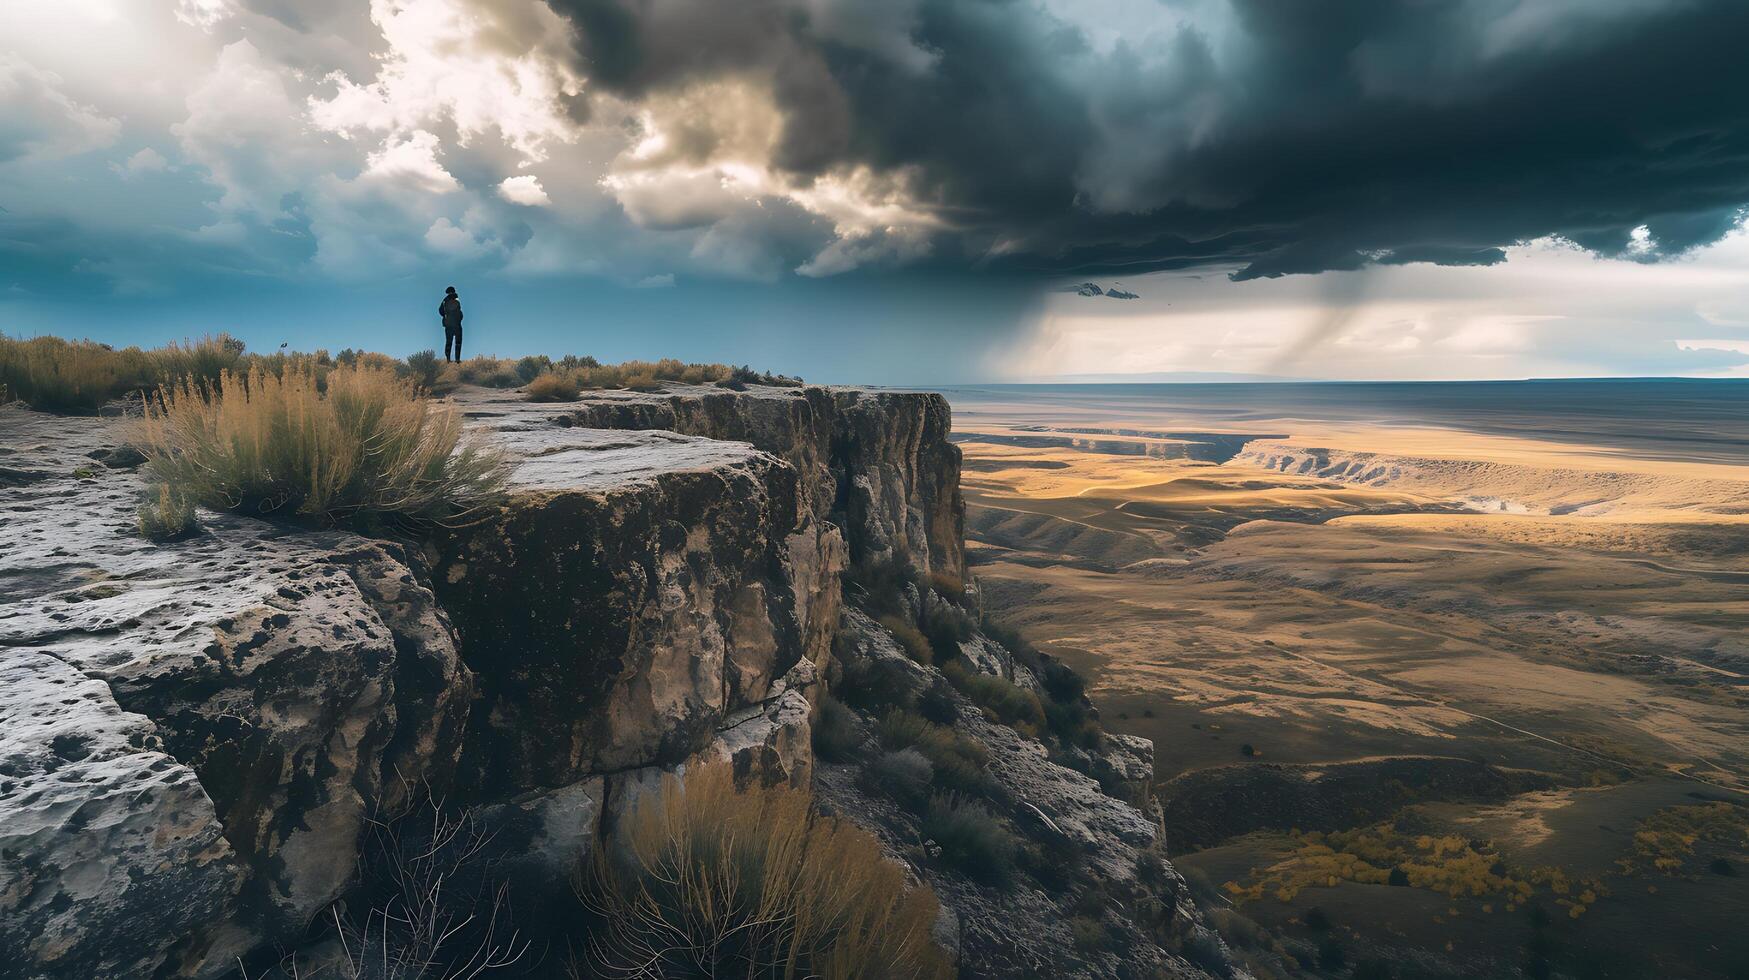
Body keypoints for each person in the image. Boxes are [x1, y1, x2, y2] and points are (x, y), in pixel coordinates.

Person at [439, 286, 464, 362]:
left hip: (448, 324)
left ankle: (448, 360)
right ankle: (457, 360)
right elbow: (460, 312)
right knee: (458, 342)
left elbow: (440, 311)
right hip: (457, 324)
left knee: (448, 342)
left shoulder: (444, 301)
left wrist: (446, 316)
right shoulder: (457, 299)